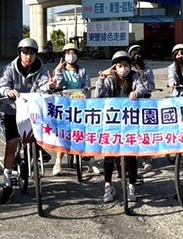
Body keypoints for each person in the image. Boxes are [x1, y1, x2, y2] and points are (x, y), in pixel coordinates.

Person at [0, 38, 51, 204]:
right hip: (13, 111)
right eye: (25, 53)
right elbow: (2, 86)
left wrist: (50, 86)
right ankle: (7, 183)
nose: (28, 56)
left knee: (42, 136)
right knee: (12, 144)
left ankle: (39, 151)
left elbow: (44, 85)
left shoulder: (41, 70)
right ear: (19, 53)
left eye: (32, 53)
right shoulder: (10, 69)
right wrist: (8, 91)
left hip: (33, 112)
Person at [95, 51, 148, 203]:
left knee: (131, 154)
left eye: (126, 66)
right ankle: (108, 185)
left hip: (130, 122)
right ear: (114, 67)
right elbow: (98, 95)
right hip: (112, 122)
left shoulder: (134, 76)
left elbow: (143, 89)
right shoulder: (110, 79)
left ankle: (131, 185)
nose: (123, 69)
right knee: (109, 155)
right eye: (120, 66)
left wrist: (136, 93)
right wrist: (101, 79)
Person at [49, 42, 90, 176]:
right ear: (64, 55)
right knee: (63, 133)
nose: (71, 56)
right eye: (68, 53)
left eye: (73, 53)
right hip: (65, 104)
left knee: (86, 130)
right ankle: (58, 162)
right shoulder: (60, 70)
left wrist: (86, 92)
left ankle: (90, 161)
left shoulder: (82, 70)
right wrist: (58, 71)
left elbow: (87, 86)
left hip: (80, 105)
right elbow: (59, 85)